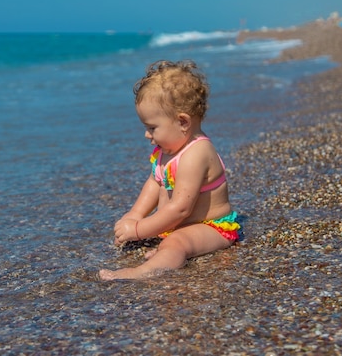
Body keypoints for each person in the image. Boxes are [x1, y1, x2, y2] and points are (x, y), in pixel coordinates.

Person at [99, 60, 240, 281]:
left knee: (177, 243)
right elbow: (155, 182)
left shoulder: (196, 153)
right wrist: (135, 215)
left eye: (152, 128)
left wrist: (139, 230)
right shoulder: (167, 150)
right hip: (182, 225)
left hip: (211, 227)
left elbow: (181, 209)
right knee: (167, 238)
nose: (147, 135)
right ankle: (165, 250)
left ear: (182, 122)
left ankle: (141, 272)